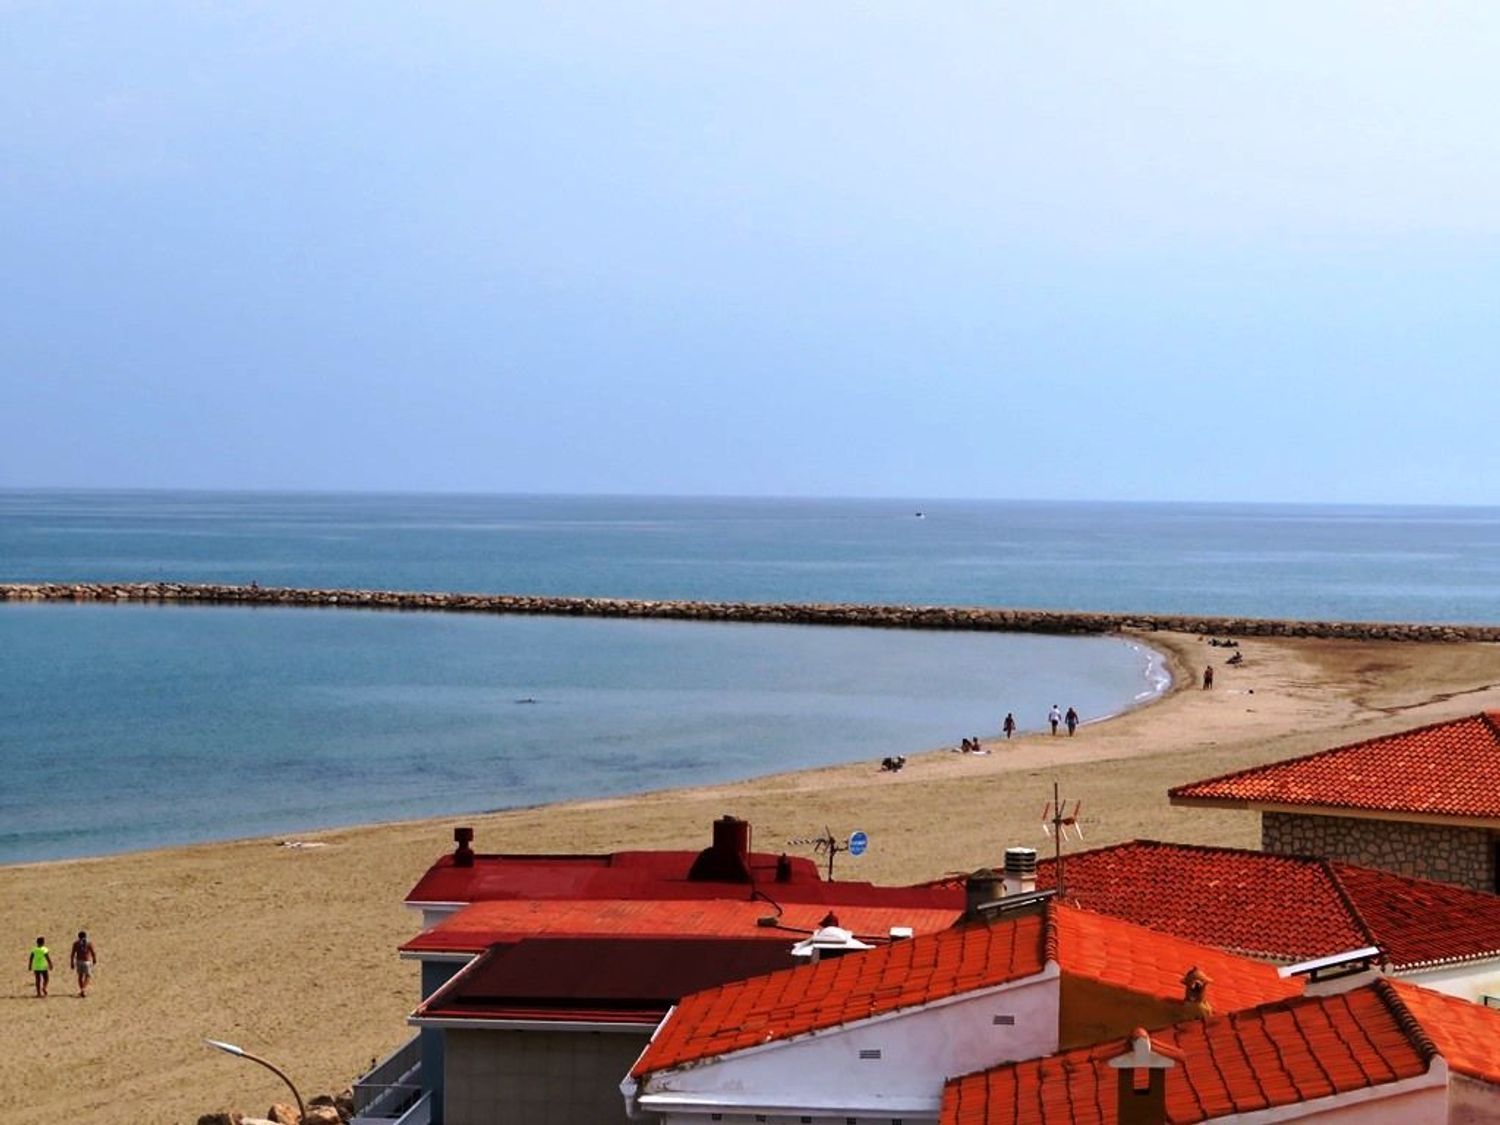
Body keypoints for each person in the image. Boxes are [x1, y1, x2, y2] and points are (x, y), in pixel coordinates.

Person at [71, 931, 97, 998]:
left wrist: (72, 962)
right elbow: (93, 952)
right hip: (86, 961)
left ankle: (82, 990)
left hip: (79, 961)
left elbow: (73, 954)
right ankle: (83, 989)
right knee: (88, 976)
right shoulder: (88, 943)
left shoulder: (76, 943)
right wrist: (94, 959)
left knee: (80, 976)